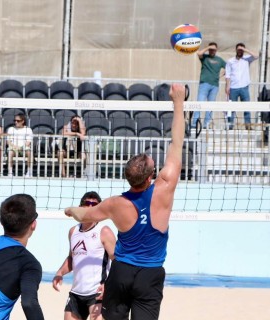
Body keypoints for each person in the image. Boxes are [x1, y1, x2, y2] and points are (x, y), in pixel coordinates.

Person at [65, 83, 186, 320]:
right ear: (151, 176)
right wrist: (179, 102)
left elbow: (84, 215)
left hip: (121, 272)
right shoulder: (164, 188)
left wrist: (70, 210)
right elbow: (177, 143)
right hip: (149, 275)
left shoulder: (114, 204)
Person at [52, 191, 116, 320]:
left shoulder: (104, 231)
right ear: (80, 207)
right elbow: (72, 258)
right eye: (87, 203)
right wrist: (59, 273)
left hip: (97, 293)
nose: (91, 207)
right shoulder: (73, 231)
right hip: (76, 293)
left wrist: (108, 285)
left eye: (95, 204)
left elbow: (117, 262)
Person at [191, 42, 226, 129]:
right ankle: (194, 124)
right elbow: (198, 53)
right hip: (204, 84)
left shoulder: (220, 60)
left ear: (216, 50)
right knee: (199, 103)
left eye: (214, 49)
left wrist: (220, 75)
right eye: (211, 49)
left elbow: (229, 68)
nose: (212, 51)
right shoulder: (205, 57)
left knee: (210, 106)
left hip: (214, 85)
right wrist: (208, 47)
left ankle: (206, 124)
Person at [225, 43, 259, 130]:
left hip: (244, 87)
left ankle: (248, 125)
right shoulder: (230, 61)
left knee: (246, 107)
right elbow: (228, 75)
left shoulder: (247, 59)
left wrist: (245, 50)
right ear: (236, 50)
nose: (240, 51)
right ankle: (230, 125)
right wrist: (227, 86)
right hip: (233, 87)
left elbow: (256, 56)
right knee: (231, 108)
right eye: (238, 49)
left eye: (241, 50)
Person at [6, 113, 33, 177]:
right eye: (15, 120)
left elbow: (29, 142)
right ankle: (10, 172)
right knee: (10, 152)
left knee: (30, 153)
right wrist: (15, 147)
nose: (16, 122)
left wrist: (21, 147)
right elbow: (8, 142)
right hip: (14, 148)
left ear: (23, 121)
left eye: (18, 121)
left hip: (24, 148)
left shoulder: (28, 130)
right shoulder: (11, 129)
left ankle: (29, 172)